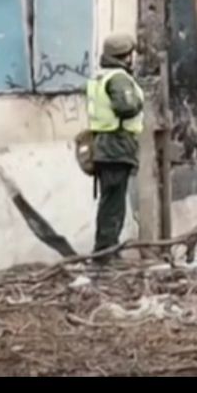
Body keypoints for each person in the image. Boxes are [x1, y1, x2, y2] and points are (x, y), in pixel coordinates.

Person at [86, 34, 145, 259]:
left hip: (105, 146)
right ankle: (106, 253)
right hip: (116, 146)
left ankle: (107, 250)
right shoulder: (119, 78)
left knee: (111, 200)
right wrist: (141, 100)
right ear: (125, 56)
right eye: (131, 54)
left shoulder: (103, 76)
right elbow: (127, 107)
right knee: (113, 203)